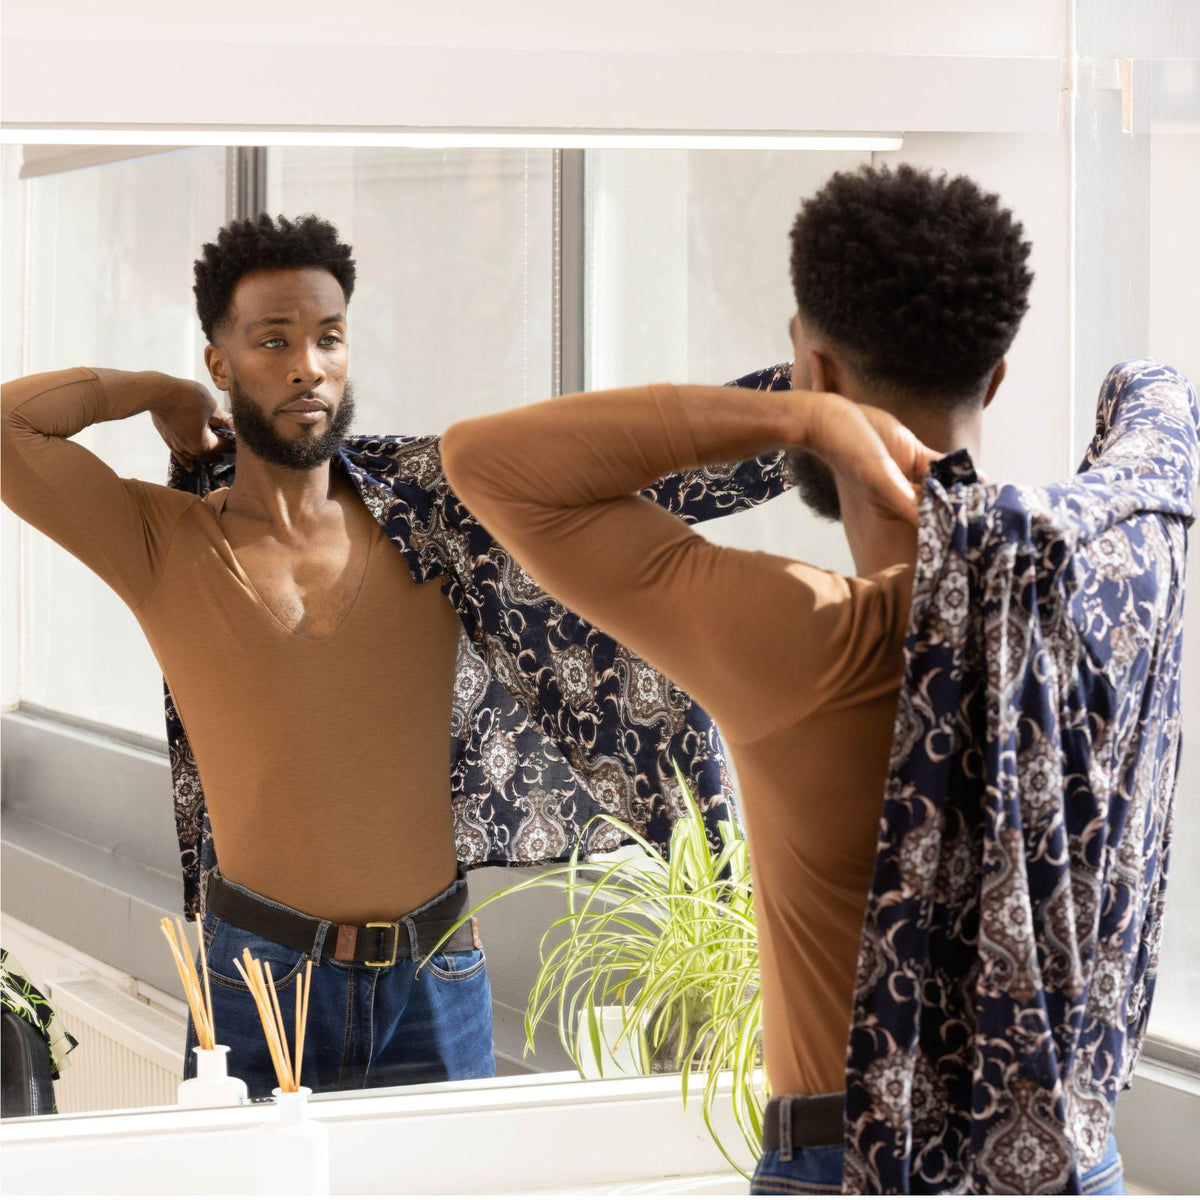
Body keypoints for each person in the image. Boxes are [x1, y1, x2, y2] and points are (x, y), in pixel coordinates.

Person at [441, 165, 1190, 1193]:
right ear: (999, 376)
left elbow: (484, 462)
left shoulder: (813, 641)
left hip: (861, 1162)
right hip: (1065, 1154)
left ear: (814, 365)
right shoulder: (1096, 598)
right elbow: (1161, 408)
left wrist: (796, 420)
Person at [1, 214, 794, 1099]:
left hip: (436, 979)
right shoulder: (162, 541)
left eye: (328, 337)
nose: (309, 366)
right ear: (220, 365)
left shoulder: (434, 510)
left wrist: (820, 408)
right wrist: (155, 388)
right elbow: (10, 430)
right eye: (274, 341)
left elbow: (638, 473)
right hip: (257, 985)